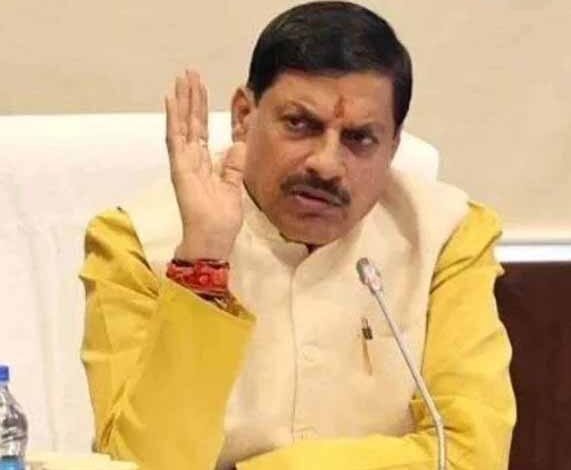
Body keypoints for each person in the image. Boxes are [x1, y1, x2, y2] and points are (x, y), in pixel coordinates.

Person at [79, 2, 516, 469]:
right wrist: (202, 261)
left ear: (393, 145)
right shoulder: (135, 243)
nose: (326, 164)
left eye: (359, 138)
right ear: (244, 115)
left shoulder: (445, 238)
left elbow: (469, 455)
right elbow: (140, 465)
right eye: (300, 125)